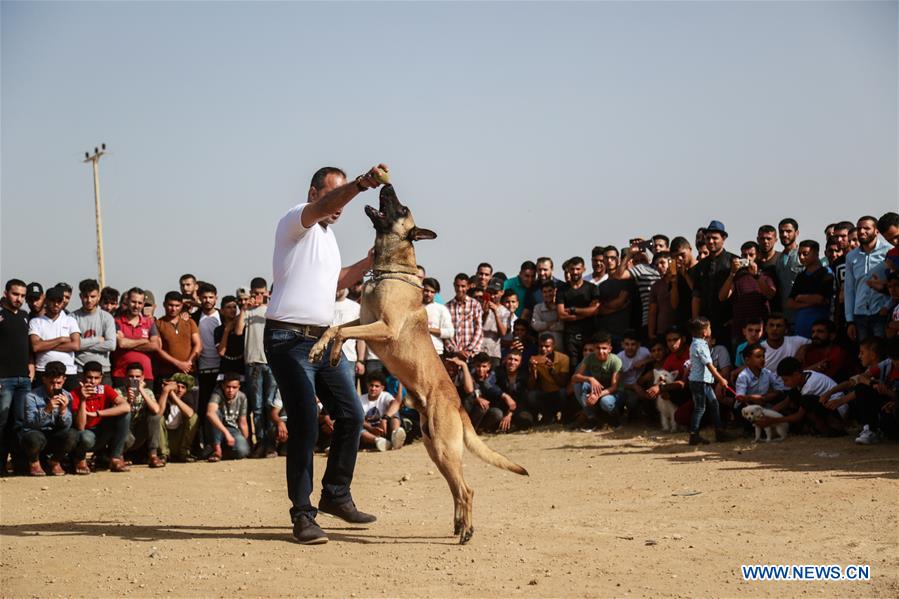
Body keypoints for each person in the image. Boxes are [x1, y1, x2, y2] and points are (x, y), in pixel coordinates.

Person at [263, 164, 385, 544]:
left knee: (352, 414)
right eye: (334, 194)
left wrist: (366, 263)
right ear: (314, 193)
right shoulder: (295, 220)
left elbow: (335, 283)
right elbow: (327, 206)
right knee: (306, 422)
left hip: (324, 340)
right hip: (286, 338)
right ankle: (302, 514)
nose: (340, 205)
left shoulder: (328, 239)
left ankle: (335, 494)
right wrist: (362, 185)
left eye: (343, 197)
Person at [70, 361, 131, 474]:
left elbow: (126, 407)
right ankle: (80, 459)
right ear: (83, 376)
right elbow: (80, 427)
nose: (92, 382)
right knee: (85, 438)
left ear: (101, 378)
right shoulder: (74, 393)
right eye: (89, 377)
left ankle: (115, 458)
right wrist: (83, 399)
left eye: (96, 378)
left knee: (127, 424)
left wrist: (98, 413)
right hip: (87, 433)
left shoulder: (105, 389)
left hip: (103, 430)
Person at [18, 361, 78, 476]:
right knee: (33, 437)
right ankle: (34, 462)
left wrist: (63, 410)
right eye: (51, 382)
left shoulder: (67, 396)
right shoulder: (31, 396)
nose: (55, 386)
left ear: (64, 379)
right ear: (44, 379)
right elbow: (31, 424)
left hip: (55, 436)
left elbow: (66, 426)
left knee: (73, 435)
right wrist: (47, 409)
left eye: (59, 383)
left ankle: (54, 461)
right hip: (37, 434)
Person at [244, 277, 278, 456]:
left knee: (270, 405)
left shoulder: (272, 311)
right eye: (255, 293)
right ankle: (261, 443)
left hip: (271, 363)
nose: (258, 297)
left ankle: (271, 444)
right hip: (253, 363)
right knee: (256, 408)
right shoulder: (247, 312)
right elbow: (238, 331)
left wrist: (269, 302)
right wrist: (244, 309)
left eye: (261, 293)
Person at [0, 279, 32, 474]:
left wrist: (31, 367)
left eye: (22, 295)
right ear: (6, 293)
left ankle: (20, 464)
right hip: (3, 379)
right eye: (15, 294)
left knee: (20, 423)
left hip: (23, 379)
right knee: (1, 422)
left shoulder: (25, 316)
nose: (19, 299)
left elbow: (29, 348)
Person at [718, 241, 776, 347]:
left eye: (751, 255)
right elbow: (722, 297)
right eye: (744, 255)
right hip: (740, 330)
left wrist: (757, 276)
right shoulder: (737, 277)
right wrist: (732, 273)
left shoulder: (766, 274)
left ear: (758, 255)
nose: (748, 258)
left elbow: (771, 294)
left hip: (760, 330)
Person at [691, 221, 737, 350]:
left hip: (727, 324)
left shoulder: (733, 262)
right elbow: (696, 296)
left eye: (715, 238)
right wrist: (695, 325)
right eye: (708, 238)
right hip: (705, 326)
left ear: (724, 238)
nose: (711, 241)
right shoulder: (700, 266)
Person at [844, 216, 892, 341]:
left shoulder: (889, 252)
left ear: (876, 231)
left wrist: (887, 306)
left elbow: (894, 283)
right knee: (865, 355)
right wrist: (850, 320)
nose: (861, 232)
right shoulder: (851, 256)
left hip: (881, 312)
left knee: (881, 353)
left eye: (867, 228)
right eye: (859, 228)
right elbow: (849, 289)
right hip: (860, 315)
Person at [686, 318, 731, 445]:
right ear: (705, 332)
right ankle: (694, 435)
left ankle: (719, 432)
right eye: (709, 328)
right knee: (700, 408)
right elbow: (709, 365)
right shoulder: (700, 345)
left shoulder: (698, 344)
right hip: (699, 382)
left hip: (702, 381)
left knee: (714, 403)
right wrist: (721, 379)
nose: (711, 330)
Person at [29, 286, 81, 389]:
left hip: (68, 372)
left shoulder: (70, 321)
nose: (56, 304)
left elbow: (76, 345)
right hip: (43, 371)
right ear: (46, 301)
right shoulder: (36, 322)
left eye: (59, 301)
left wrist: (45, 344)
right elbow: (35, 347)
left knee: (69, 404)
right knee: (43, 404)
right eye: (53, 300)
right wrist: (61, 339)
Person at [571, 332, 623, 428]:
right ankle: (592, 418)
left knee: (605, 401)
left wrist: (597, 395)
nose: (601, 351)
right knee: (578, 385)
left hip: (612, 393)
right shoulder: (589, 358)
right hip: (596, 389)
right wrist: (590, 379)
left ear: (609, 349)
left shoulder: (615, 361)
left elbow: (614, 387)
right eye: (598, 348)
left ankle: (616, 419)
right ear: (594, 348)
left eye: (604, 348)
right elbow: (574, 378)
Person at [111, 288, 160, 388]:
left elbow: (155, 346)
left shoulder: (149, 322)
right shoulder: (116, 322)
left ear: (143, 304)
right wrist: (143, 341)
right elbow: (121, 343)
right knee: (124, 403)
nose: (136, 306)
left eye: (140, 303)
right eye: (133, 302)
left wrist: (128, 343)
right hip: (122, 375)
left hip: (145, 376)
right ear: (127, 301)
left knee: (143, 403)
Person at [120, 363, 166, 468]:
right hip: (124, 432)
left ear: (143, 378)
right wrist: (128, 401)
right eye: (131, 376)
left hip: (139, 432)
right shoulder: (118, 391)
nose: (134, 379)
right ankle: (118, 456)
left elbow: (156, 409)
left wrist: (141, 390)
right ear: (126, 377)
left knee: (155, 416)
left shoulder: (147, 392)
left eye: (137, 377)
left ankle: (153, 456)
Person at [72, 279, 117, 386]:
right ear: (80, 296)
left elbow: (111, 345)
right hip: (80, 371)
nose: (89, 300)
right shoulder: (72, 318)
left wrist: (83, 344)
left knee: (105, 403)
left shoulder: (107, 317)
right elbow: (74, 345)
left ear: (98, 296)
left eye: (92, 296)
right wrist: (96, 339)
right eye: (85, 296)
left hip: (103, 371)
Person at [786, 240, 833, 338]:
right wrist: (810, 302)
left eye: (805, 254)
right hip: (800, 327)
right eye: (799, 254)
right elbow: (790, 303)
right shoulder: (800, 276)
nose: (801, 257)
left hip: (819, 328)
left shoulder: (826, 273)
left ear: (816, 253)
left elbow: (821, 299)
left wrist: (800, 298)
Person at [154, 292, 201, 388]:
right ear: (164, 304)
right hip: (167, 374)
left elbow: (198, 344)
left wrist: (188, 362)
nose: (173, 309)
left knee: (190, 402)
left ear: (181, 305)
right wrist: (178, 363)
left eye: (177, 306)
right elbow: (158, 349)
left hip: (189, 372)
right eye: (170, 305)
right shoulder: (158, 324)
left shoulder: (190, 322)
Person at [526, 333, 570, 425]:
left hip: (558, 392)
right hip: (545, 393)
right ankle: (547, 415)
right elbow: (531, 386)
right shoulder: (534, 359)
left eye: (547, 346)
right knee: (531, 395)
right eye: (541, 346)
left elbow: (563, 383)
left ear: (553, 346)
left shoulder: (563, 358)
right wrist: (533, 371)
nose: (543, 349)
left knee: (563, 393)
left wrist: (552, 370)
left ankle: (563, 416)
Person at [206, 372, 251, 461]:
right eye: (228, 387)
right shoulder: (217, 394)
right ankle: (217, 450)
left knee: (243, 451)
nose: (230, 390)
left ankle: (222, 451)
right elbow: (210, 413)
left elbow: (243, 422)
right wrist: (226, 433)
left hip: (233, 429)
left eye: (234, 387)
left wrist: (247, 442)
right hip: (216, 429)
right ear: (223, 386)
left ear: (239, 387)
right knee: (215, 413)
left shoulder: (242, 397)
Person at [594, 248, 631, 351]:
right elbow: (598, 310)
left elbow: (620, 302)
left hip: (623, 333)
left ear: (618, 260)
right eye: (606, 258)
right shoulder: (601, 285)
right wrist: (618, 308)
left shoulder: (626, 280)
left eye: (612, 258)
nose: (609, 261)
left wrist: (607, 305)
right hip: (605, 334)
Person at [358, 371, 404, 451]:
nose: (373, 388)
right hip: (370, 432)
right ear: (367, 385)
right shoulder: (360, 399)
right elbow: (358, 418)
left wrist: (385, 419)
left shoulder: (385, 395)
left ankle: (395, 434)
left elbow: (395, 404)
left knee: (394, 412)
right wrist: (370, 428)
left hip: (385, 429)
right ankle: (378, 441)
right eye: (371, 385)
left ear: (382, 388)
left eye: (376, 386)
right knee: (355, 425)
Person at [159, 373, 199, 462]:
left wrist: (173, 395)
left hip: (179, 439)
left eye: (183, 387)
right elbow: (158, 414)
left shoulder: (187, 399)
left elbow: (190, 414)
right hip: (164, 440)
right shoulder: (162, 397)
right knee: (157, 419)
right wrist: (165, 392)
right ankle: (163, 455)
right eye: (177, 387)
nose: (180, 390)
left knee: (194, 417)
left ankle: (184, 453)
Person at [445, 273, 484, 361]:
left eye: (463, 286)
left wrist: (468, 350)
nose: (460, 289)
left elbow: (479, 329)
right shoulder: (447, 307)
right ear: (454, 285)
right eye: (457, 286)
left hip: (472, 354)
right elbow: (446, 333)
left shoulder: (475, 304)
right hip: (453, 355)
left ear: (468, 286)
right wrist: (456, 351)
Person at [616, 330, 652, 422]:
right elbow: (616, 382)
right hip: (624, 387)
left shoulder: (644, 351)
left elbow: (654, 357)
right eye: (627, 344)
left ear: (638, 345)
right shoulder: (618, 358)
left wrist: (644, 361)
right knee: (631, 400)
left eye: (633, 344)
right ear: (622, 345)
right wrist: (633, 386)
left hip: (640, 382)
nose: (630, 347)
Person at [760, 313, 809, 378]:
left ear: (786, 329)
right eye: (771, 325)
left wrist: (804, 348)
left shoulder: (796, 341)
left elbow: (815, 342)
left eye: (779, 326)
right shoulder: (759, 349)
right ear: (765, 328)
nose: (774, 329)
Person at [775, 218, 803, 326]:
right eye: (781, 231)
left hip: (800, 315)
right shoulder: (779, 258)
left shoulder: (803, 255)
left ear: (797, 233)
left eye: (788, 231)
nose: (785, 235)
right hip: (785, 318)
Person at [422, 278, 454, 356]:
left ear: (436, 293)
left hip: (436, 351)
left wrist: (428, 329)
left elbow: (450, 332)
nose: (428, 294)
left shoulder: (441, 309)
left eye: (432, 292)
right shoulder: (414, 307)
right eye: (426, 290)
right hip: (416, 350)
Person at [531, 278, 564, 348]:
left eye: (550, 291)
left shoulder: (561, 307)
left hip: (559, 347)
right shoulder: (538, 308)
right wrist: (550, 323)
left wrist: (544, 326)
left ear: (555, 291)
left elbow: (562, 325)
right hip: (543, 348)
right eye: (545, 292)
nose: (548, 294)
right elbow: (535, 325)